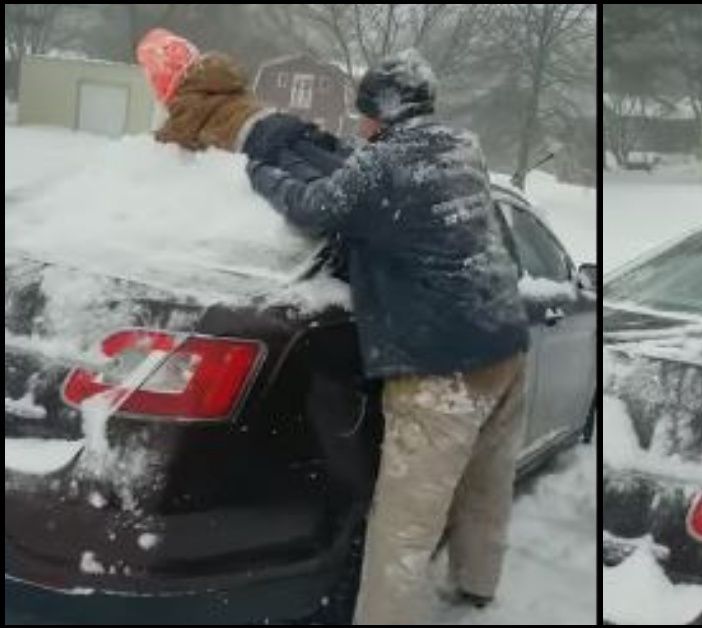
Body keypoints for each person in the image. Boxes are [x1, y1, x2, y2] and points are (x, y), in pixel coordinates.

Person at [240, 50, 530, 625]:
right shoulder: (461, 147)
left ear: (381, 112)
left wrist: (261, 170)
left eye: (363, 113)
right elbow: (377, 175)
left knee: (405, 524)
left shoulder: (384, 165)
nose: (360, 125)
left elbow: (313, 207)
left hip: (442, 366)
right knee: (485, 485)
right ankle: (476, 583)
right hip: (507, 345)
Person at [136, 28, 347, 181]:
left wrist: (157, 138)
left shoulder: (186, 99)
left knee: (322, 184)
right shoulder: (218, 77)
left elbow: (177, 133)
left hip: (255, 139)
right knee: (333, 163)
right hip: (276, 119)